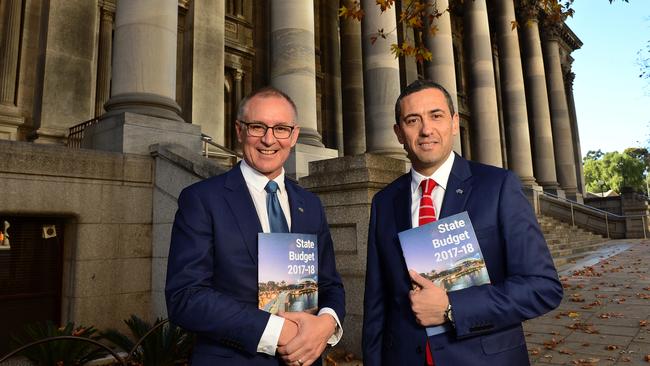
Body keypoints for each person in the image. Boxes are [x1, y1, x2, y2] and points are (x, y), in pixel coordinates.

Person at [362, 80, 563, 365]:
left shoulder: (498, 187)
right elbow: (376, 303)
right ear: (398, 133)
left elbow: (543, 288)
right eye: (412, 120)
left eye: (436, 115)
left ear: (454, 123)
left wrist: (452, 307)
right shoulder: (384, 202)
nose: (426, 129)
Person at [166, 87, 345, 366]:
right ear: (239, 131)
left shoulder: (310, 205)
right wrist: (280, 332)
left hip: (306, 360)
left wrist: (326, 323)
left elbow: (330, 283)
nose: (268, 139)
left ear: (295, 135)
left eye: (281, 128)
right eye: (257, 127)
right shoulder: (202, 200)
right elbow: (186, 297)